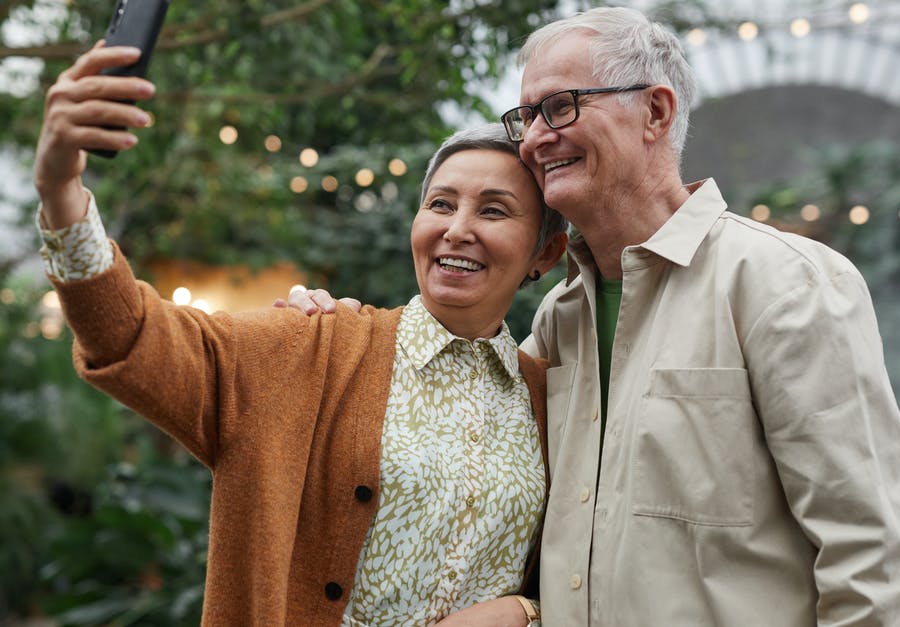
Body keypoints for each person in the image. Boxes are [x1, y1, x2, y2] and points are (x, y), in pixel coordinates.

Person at [284, 7, 900, 625]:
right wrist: (339, 337)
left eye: (561, 106)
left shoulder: (783, 284)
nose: (537, 138)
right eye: (528, 116)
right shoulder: (556, 324)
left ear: (655, 111)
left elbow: (878, 567)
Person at [32, 43, 569, 627]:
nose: (457, 230)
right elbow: (129, 337)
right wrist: (60, 191)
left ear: (545, 251)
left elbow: (588, 566)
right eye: (441, 204)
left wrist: (525, 610)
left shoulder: (554, 397)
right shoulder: (310, 348)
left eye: (494, 211)